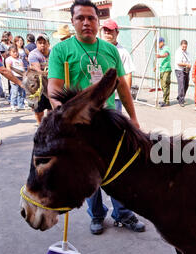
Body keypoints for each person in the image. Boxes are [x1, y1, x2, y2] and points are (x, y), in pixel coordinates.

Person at [47, 0, 144, 235]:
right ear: (72, 22)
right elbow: (53, 88)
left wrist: (133, 117)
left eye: (91, 18)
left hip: (109, 121)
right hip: (80, 124)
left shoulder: (111, 50)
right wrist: (66, 116)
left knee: (119, 170)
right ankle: (97, 215)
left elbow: (122, 87)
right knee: (88, 172)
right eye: (80, 18)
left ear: (98, 22)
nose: (86, 22)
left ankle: (122, 213)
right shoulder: (61, 51)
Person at [100, 19, 135, 113]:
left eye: (110, 30)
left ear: (117, 32)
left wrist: (126, 97)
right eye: (105, 30)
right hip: (98, 96)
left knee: (113, 126)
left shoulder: (123, 53)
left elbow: (128, 75)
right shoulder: (97, 49)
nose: (107, 32)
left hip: (115, 98)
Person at [28, 33, 52, 125]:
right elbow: (38, 69)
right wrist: (43, 72)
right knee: (39, 110)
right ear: (36, 44)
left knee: (52, 108)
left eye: (44, 42)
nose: (42, 45)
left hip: (50, 84)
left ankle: (50, 126)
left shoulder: (53, 52)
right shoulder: (33, 54)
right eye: (40, 42)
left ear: (48, 44)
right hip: (38, 85)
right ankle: (40, 125)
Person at [5, 45, 26, 112]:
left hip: (21, 77)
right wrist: (11, 78)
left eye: (16, 52)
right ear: (10, 52)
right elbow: (8, 69)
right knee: (14, 92)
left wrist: (24, 76)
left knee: (21, 91)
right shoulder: (9, 59)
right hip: (14, 77)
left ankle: (21, 104)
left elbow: (22, 69)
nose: (15, 53)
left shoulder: (20, 59)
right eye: (13, 52)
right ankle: (13, 105)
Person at [174, 39, 191, 107]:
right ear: (181, 45)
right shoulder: (178, 52)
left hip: (186, 70)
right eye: (183, 46)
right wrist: (186, 65)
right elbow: (178, 63)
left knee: (186, 84)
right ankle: (181, 100)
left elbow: (189, 61)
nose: (184, 48)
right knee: (181, 85)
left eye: (185, 47)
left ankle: (179, 96)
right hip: (179, 70)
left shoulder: (187, 52)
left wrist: (188, 65)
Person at [156, 37, 171, 107]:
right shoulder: (160, 50)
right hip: (161, 70)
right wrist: (156, 67)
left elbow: (166, 55)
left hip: (166, 69)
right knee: (162, 86)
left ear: (162, 42)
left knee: (165, 84)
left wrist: (160, 56)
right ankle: (165, 100)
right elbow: (159, 60)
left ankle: (166, 101)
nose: (158, 44)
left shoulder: (166, 48)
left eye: (158, 43)